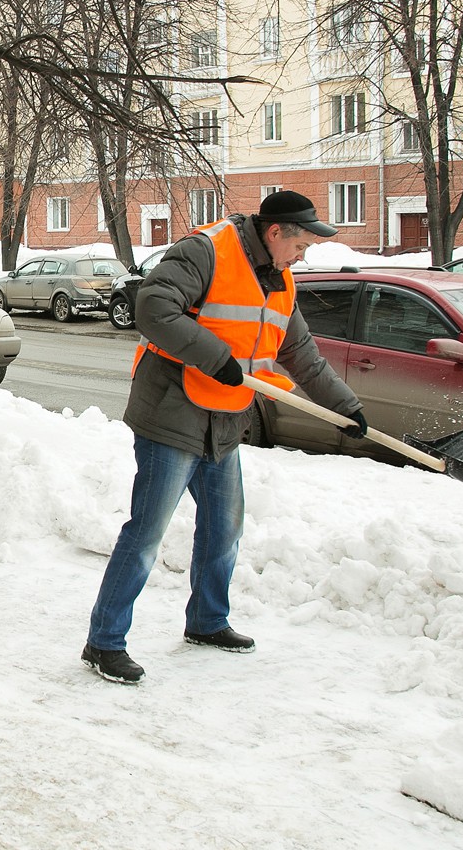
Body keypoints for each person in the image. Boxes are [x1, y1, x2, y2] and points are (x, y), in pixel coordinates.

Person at [82, 191, 367, 684]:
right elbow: (153, 306)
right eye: (300, 245)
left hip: (225, 421)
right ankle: (103, 642)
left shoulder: (280, 282)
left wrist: (346, 407)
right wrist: (215, 357)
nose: (303, 257)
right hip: (172, 414)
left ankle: (207, 621)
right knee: (147, 534)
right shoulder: (207, 251)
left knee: (223, 531)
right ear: (276, 233)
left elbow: (301, 354)